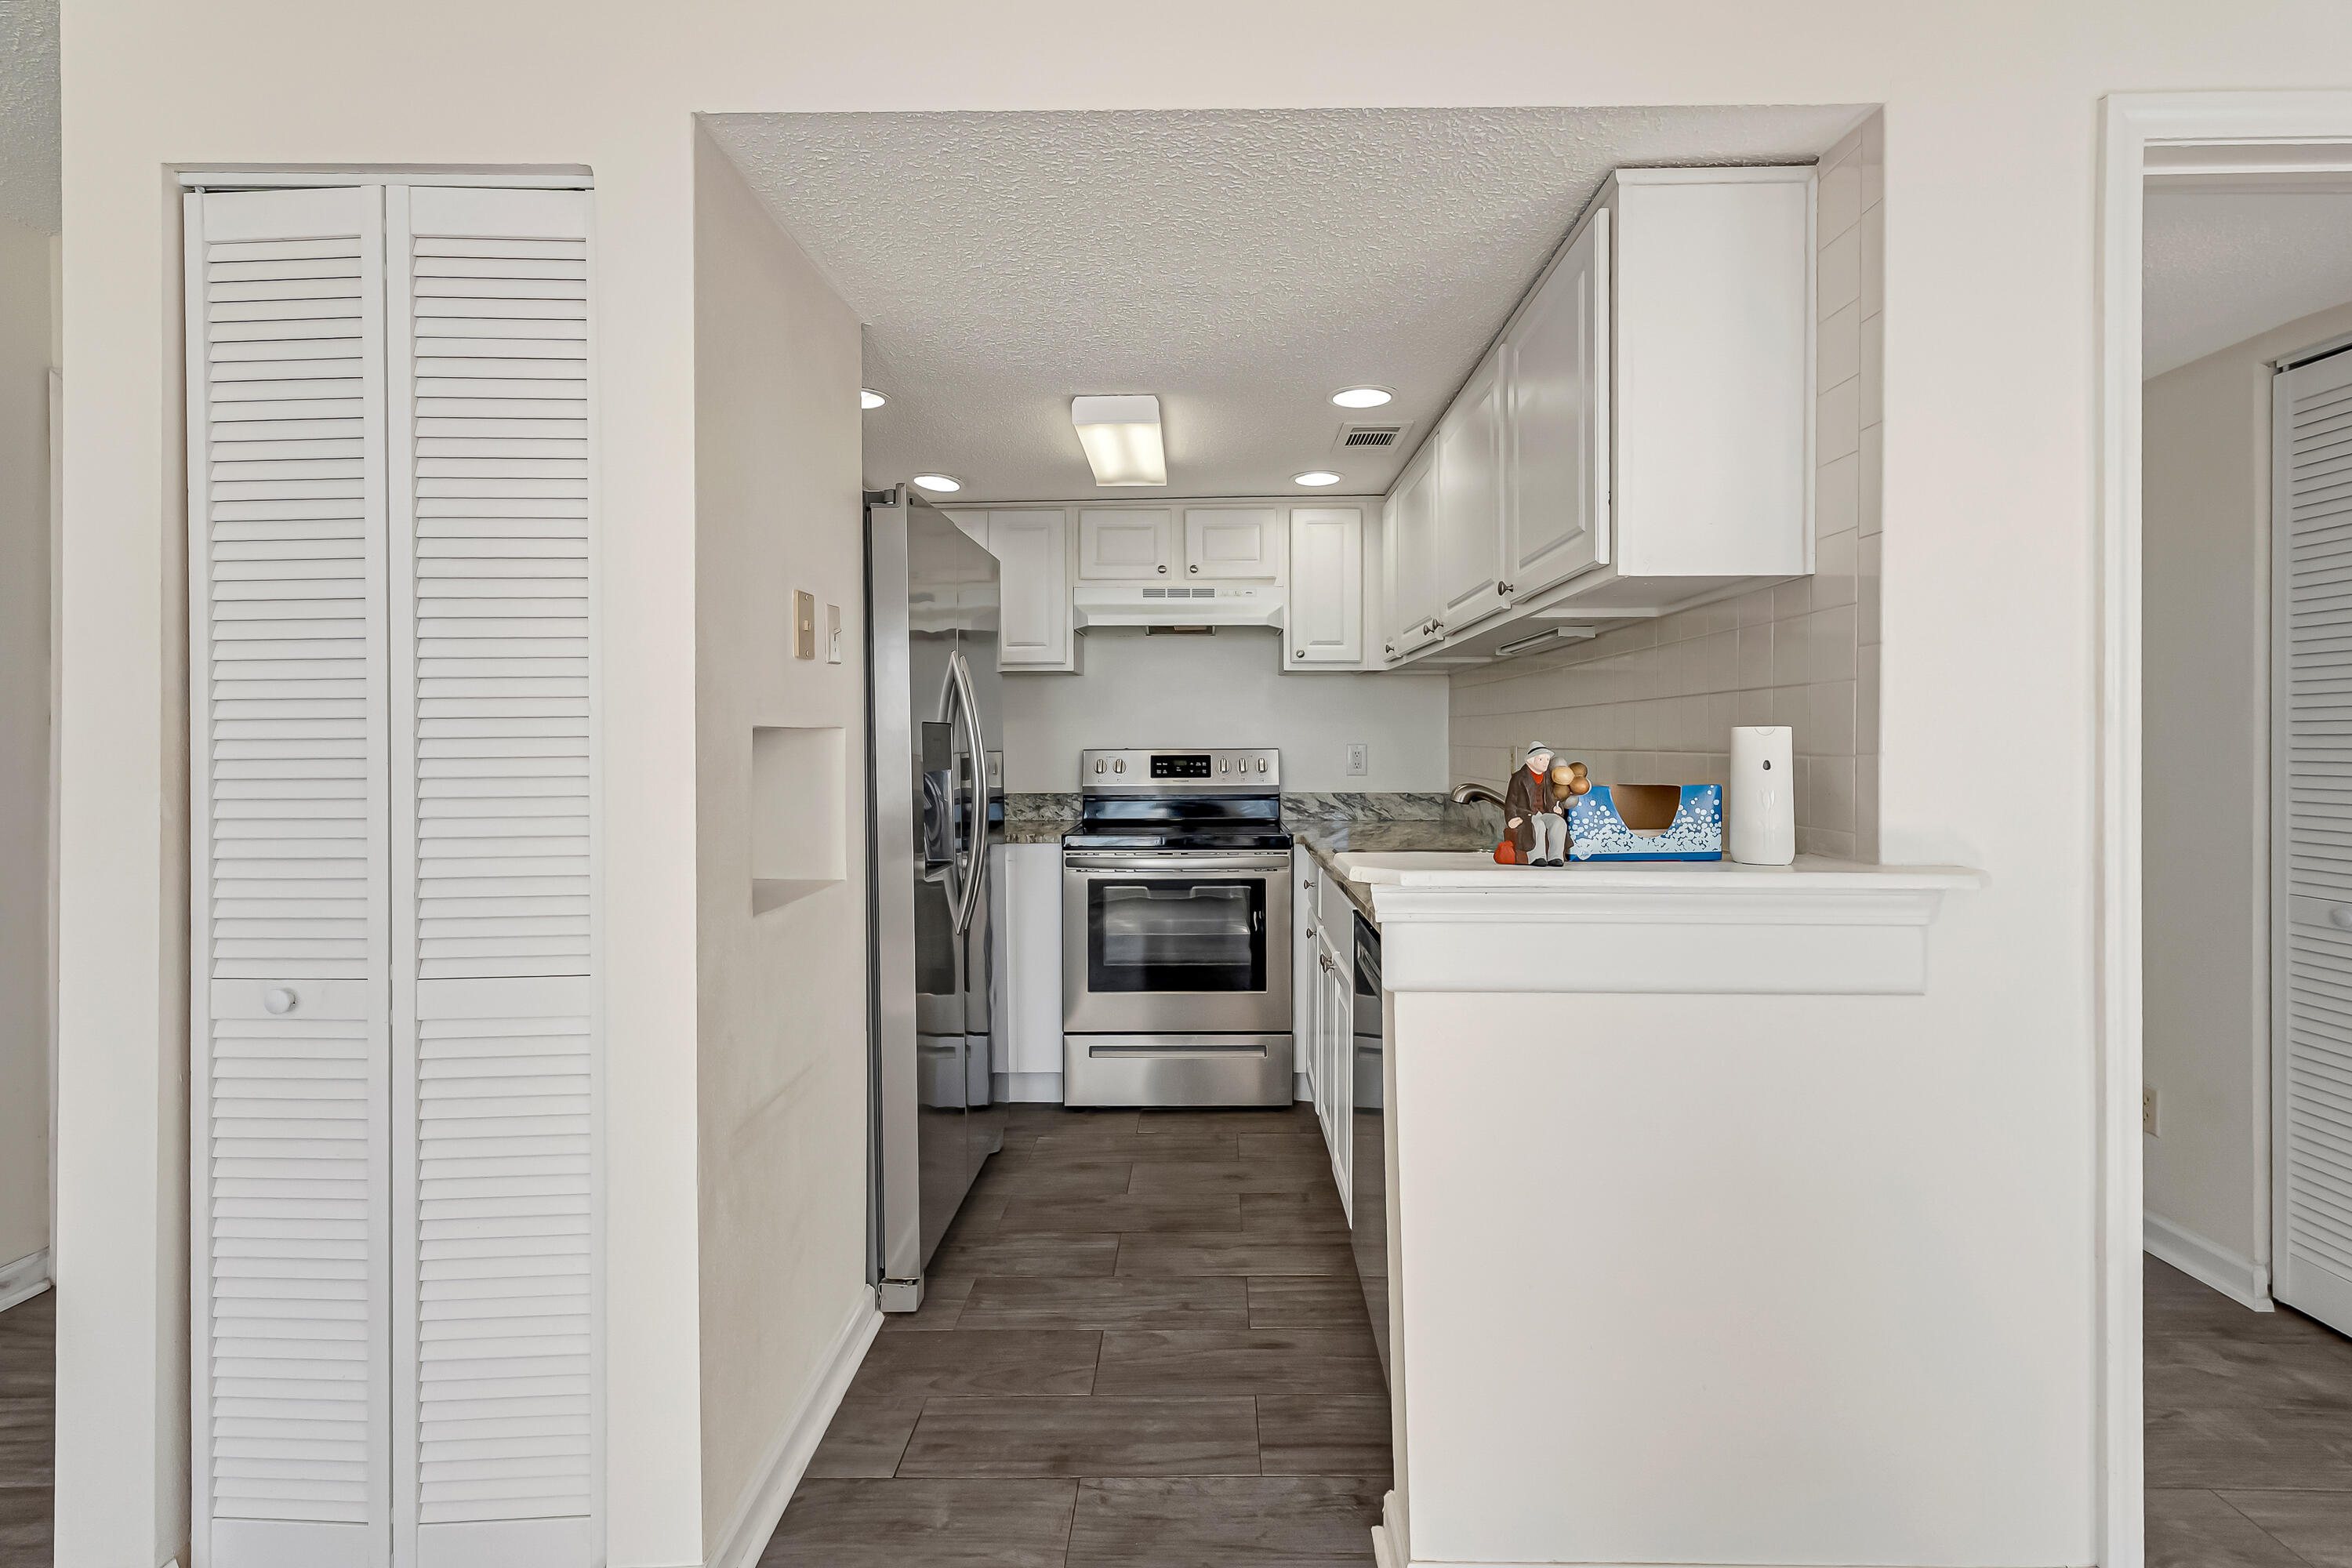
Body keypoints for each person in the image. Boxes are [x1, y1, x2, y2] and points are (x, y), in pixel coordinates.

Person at [1504, 743, 1568, 866]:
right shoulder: (1518, 777)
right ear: (1530, 760)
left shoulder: (1548, 776)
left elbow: (1554, 797)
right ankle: (1537, 857)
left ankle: (1556, 856)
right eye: (1541, 759)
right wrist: (1511, 818)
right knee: (1538, 825)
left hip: (1545, 812)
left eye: (1547, 760)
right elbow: (1511, 801)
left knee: (1558, 822)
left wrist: (1558, 808)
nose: (1545, 763)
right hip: (1526, 814)